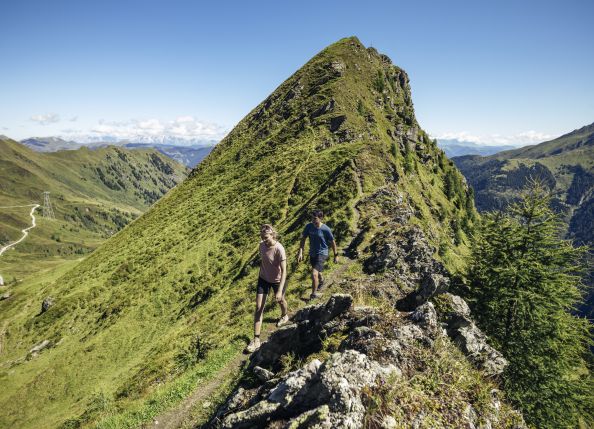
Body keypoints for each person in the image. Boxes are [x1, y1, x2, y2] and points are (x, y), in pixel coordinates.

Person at [245, 224, 289, 353]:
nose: (264, 239)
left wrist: (280, 290)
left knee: (280, 300)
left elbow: (285, 271)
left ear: (272, 235)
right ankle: (256, 339)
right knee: (259, 307)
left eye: (266, 237)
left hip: (277, 280)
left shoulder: (279, 249)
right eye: (262, 237)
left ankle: (284, 315)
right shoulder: (261, 245)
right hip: (263, 279)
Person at [297, 210, 338, 300]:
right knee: (317, 271)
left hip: (322, 253)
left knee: (314, 274)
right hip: (312, 253)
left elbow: (332, 242)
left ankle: (313, 295)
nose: (313, 220)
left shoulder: (325, 229)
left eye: (315, 218)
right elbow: (303, 238)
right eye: (311, 218)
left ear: (321, 218)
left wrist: (336, 255)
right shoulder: (309, 227)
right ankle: (322, 280)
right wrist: (300, 251)